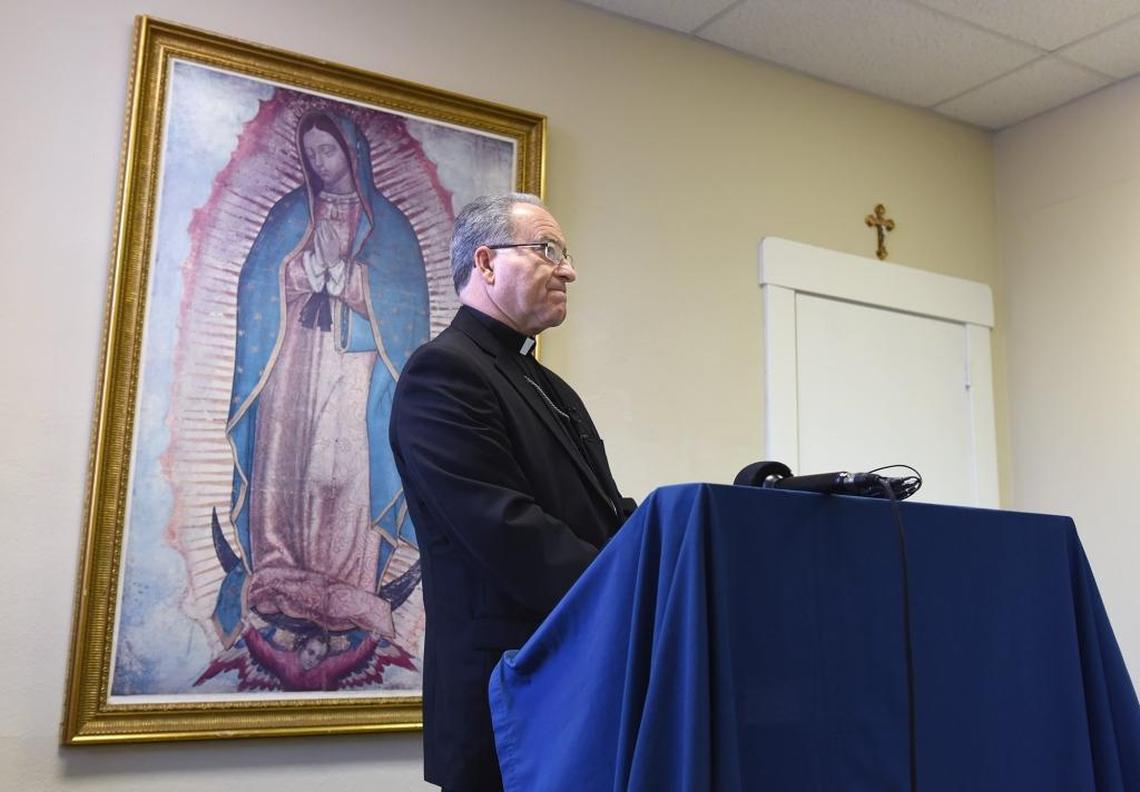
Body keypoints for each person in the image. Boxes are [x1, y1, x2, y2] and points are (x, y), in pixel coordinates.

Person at [390, 193, 635, 790]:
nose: (568, 270)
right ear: (486, 262)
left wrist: (671, 543)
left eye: (566, 255)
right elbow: (506, 530)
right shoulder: (443, 372)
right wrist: (636, 583)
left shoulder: (550, 386)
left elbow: (604, 515)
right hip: (507, 697)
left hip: (576, 687)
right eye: (548, 250)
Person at [215, 110, 429, 655]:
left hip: (354, 367)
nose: (319, 163)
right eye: (311, 154)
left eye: (327, 152)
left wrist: (351, 281)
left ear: (351, 152)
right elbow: (257, 283)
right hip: (293, 364)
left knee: (343, 471)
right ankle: (281, 575)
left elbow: (405, 311)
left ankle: (348, 585)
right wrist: (300, 274)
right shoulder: (291, 213)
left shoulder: (388, 226)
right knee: (288, 460)